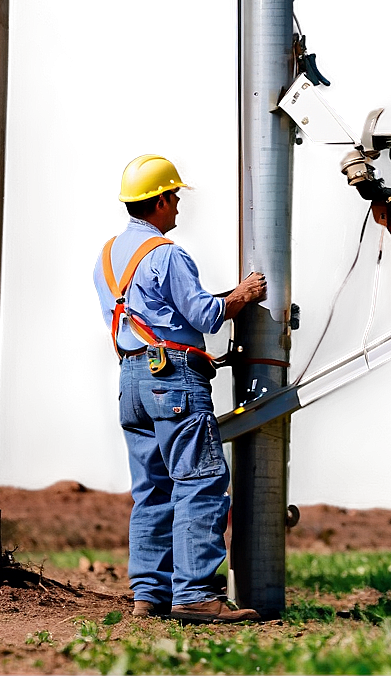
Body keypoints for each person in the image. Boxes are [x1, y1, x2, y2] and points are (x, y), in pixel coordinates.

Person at [93, 154, 266, 623]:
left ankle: (148, 595)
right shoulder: (167, 253)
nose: (180, 208)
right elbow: (206, 316)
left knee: (152, 489)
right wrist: (243, 294)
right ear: (161, 200)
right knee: (200, 480)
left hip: (130, 379)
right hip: (172, 378)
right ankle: (195, 595)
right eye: (176, 199)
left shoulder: (106, 257)